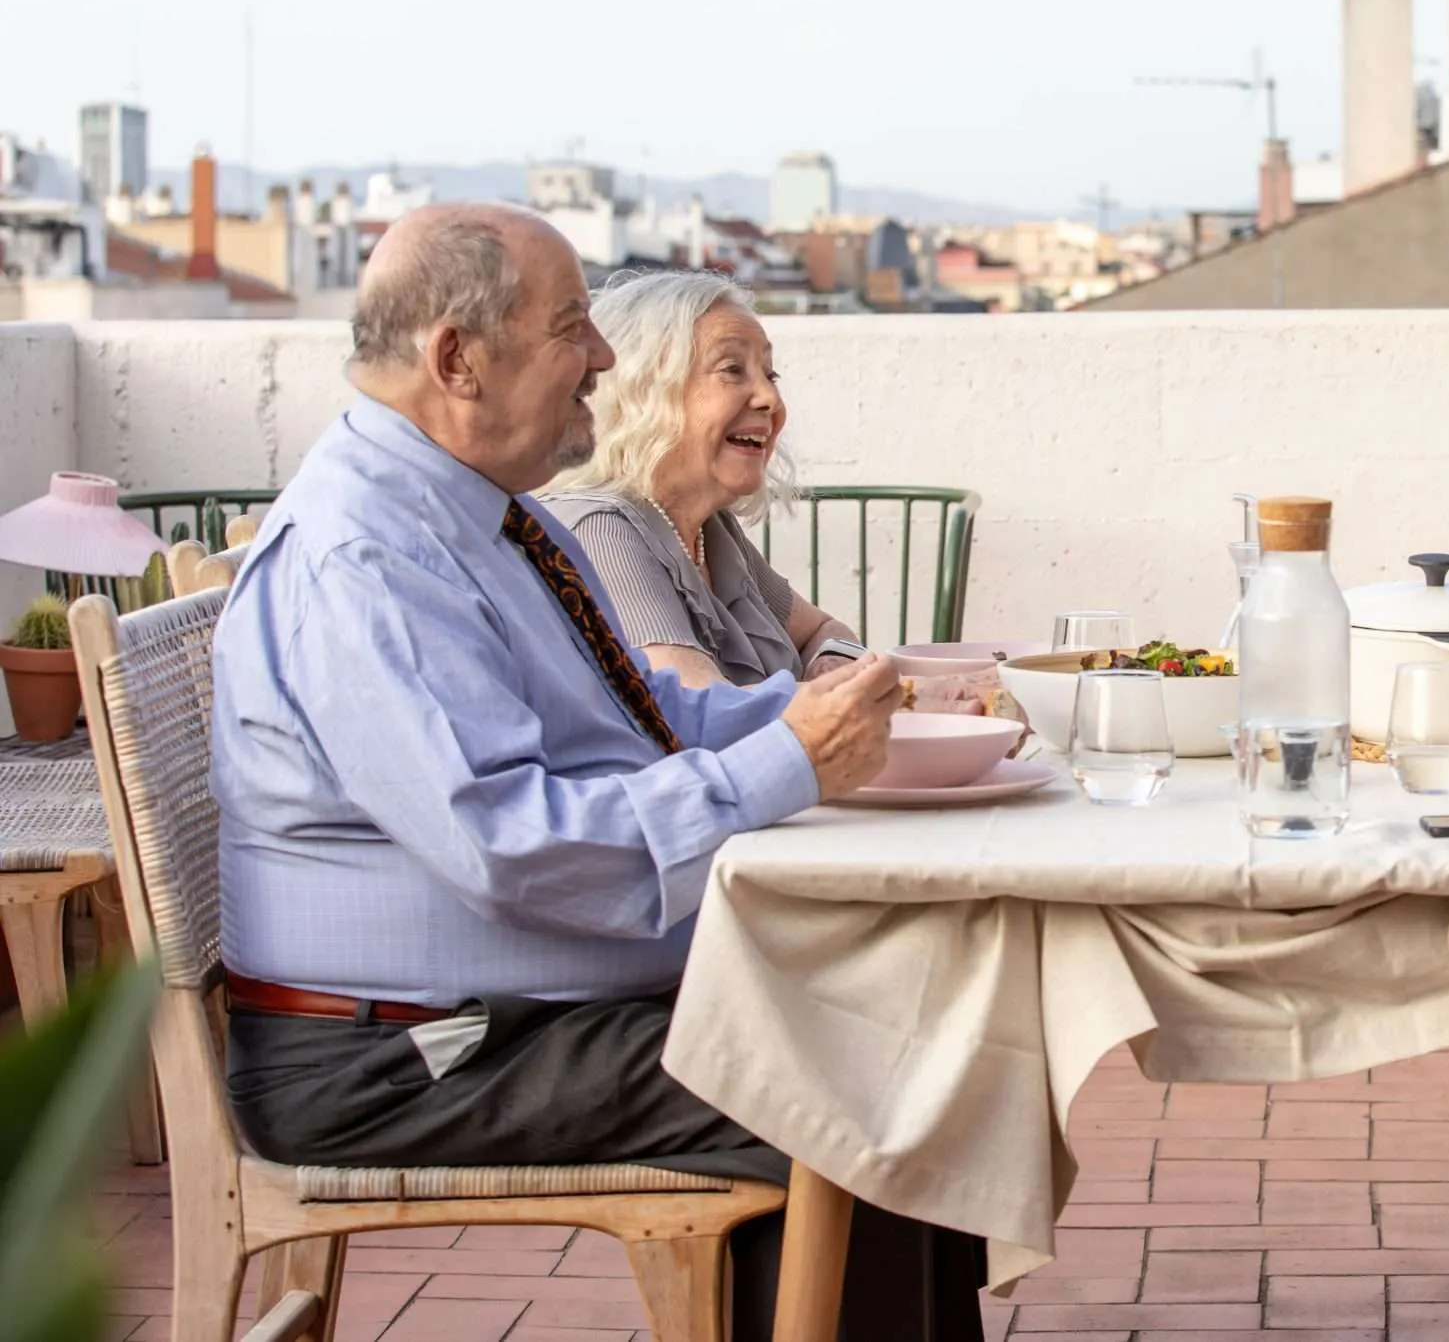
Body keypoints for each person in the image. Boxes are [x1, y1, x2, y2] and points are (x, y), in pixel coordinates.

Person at [210, 204, 985, 1342]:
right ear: (457, 357)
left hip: (491, 1012)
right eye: (574, 325)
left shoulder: (481, 520)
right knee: (841, 1076)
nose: (606, 357)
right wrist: (786, 763)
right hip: (400, 1051)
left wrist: (805, 719)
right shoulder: (367, 553)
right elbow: (511, 841)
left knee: (886, 1029)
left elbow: (636, 707)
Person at [542, 269, 861, 688]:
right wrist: (871, 695)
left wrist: (831, 668)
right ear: (644, 390)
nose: (770, 398)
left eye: (770, 374)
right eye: (732, 369)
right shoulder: (599, 531)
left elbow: (826, 630)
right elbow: (706, 715)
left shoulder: (710, 530)